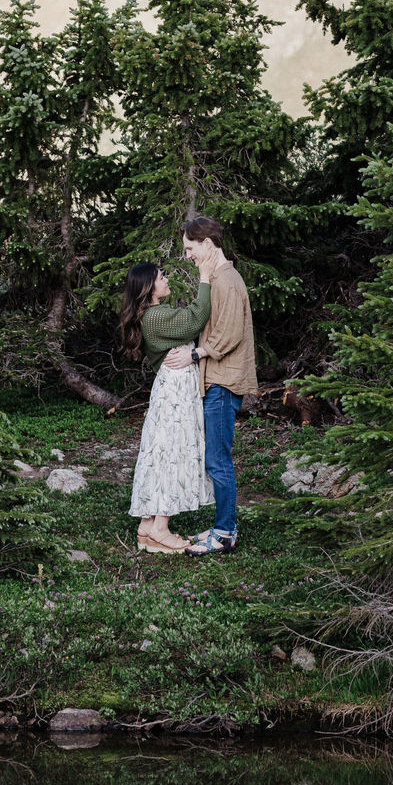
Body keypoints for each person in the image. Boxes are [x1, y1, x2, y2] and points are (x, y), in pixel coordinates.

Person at [118, 259, 214, 554]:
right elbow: (195, 319)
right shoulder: (156, 316)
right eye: (162, 277)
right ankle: (160, 528)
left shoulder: (152, 314)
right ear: (149, 287)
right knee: (175, 453)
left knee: (163, 454)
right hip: (175, 392)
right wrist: (205, 278)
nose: (166, 279)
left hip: (171, 388)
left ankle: (148, 526)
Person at [181, 213, 255, 555]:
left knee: (218, 460)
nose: (188, 255)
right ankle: (222, 525)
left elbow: (230, 334)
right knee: (216, 458)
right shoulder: (220, 277)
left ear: (207, 244)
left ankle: (225, 533)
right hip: (217, 383)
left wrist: (195, 355)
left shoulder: (227, 280)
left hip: (223, 385)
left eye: (190, 248)